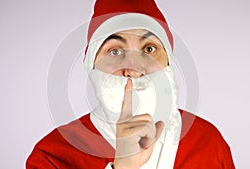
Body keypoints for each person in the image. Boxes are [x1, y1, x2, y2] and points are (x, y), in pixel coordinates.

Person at [26, 0, 235, 168]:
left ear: (168, 63)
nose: (134, 69)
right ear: (92, 65)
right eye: (115, 51)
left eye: (150, 49)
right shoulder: (52, 156)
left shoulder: (208, 141)